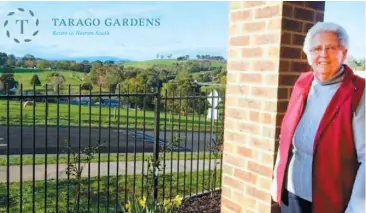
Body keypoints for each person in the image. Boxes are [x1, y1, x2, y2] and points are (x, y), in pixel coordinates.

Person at [271, 22, 365, 213]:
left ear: (344, 53)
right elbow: (286, 139)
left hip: (332, 201)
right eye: (316, 49)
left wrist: (357, 207)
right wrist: (277, 180)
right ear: (308, 55)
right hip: (292, 193)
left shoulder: (359, 92)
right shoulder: (302, 83)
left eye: (330, 48)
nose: (323, 54)